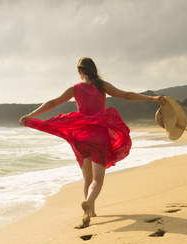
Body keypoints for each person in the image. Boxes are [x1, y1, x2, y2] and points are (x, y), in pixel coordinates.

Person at [19, 57, 164, 228]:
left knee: (87, 178)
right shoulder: (102, 85)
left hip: (80, 136)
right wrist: (152, 99)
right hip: (99, 138)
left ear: (80, 72)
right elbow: (126, 95)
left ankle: (91, 212)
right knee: (98, 180)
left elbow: (53, 102)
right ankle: (89, 202)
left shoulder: (75, 89)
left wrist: (31, 115)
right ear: (94, 70)